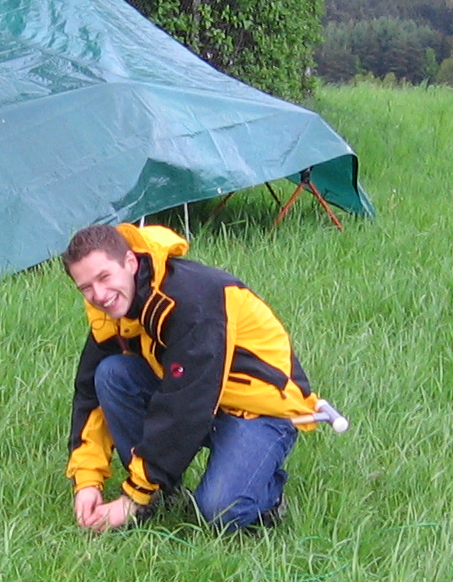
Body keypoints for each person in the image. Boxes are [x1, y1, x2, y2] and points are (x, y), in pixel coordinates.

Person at [62, 221, 341, 532]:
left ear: (129, 261)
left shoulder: (192, 300)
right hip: (202, 400)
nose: (99, 295)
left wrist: (132, 497)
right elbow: (89, 395)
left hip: (262, 411)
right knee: (112, 374)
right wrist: (87, 480)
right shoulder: (114, 309)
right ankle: (159, 493)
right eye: (86, 287)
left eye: (104, 277)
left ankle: (267, 496)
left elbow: (185, 406)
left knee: (220, 511)